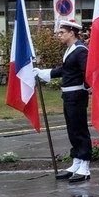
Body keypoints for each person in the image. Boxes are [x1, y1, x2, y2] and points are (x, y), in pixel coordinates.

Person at [36, 20, 92, 183]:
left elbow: (86, 71)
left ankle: (85, 166)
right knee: (72, 130)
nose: (59, 35)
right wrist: (43, 73)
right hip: (68, 95)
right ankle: (76, 162)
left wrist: (89, 87)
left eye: (62, 32)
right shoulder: (70, 50)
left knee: (80, 130)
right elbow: (66, 70)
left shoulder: (81, 50)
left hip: (77, 94)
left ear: (71, 33)